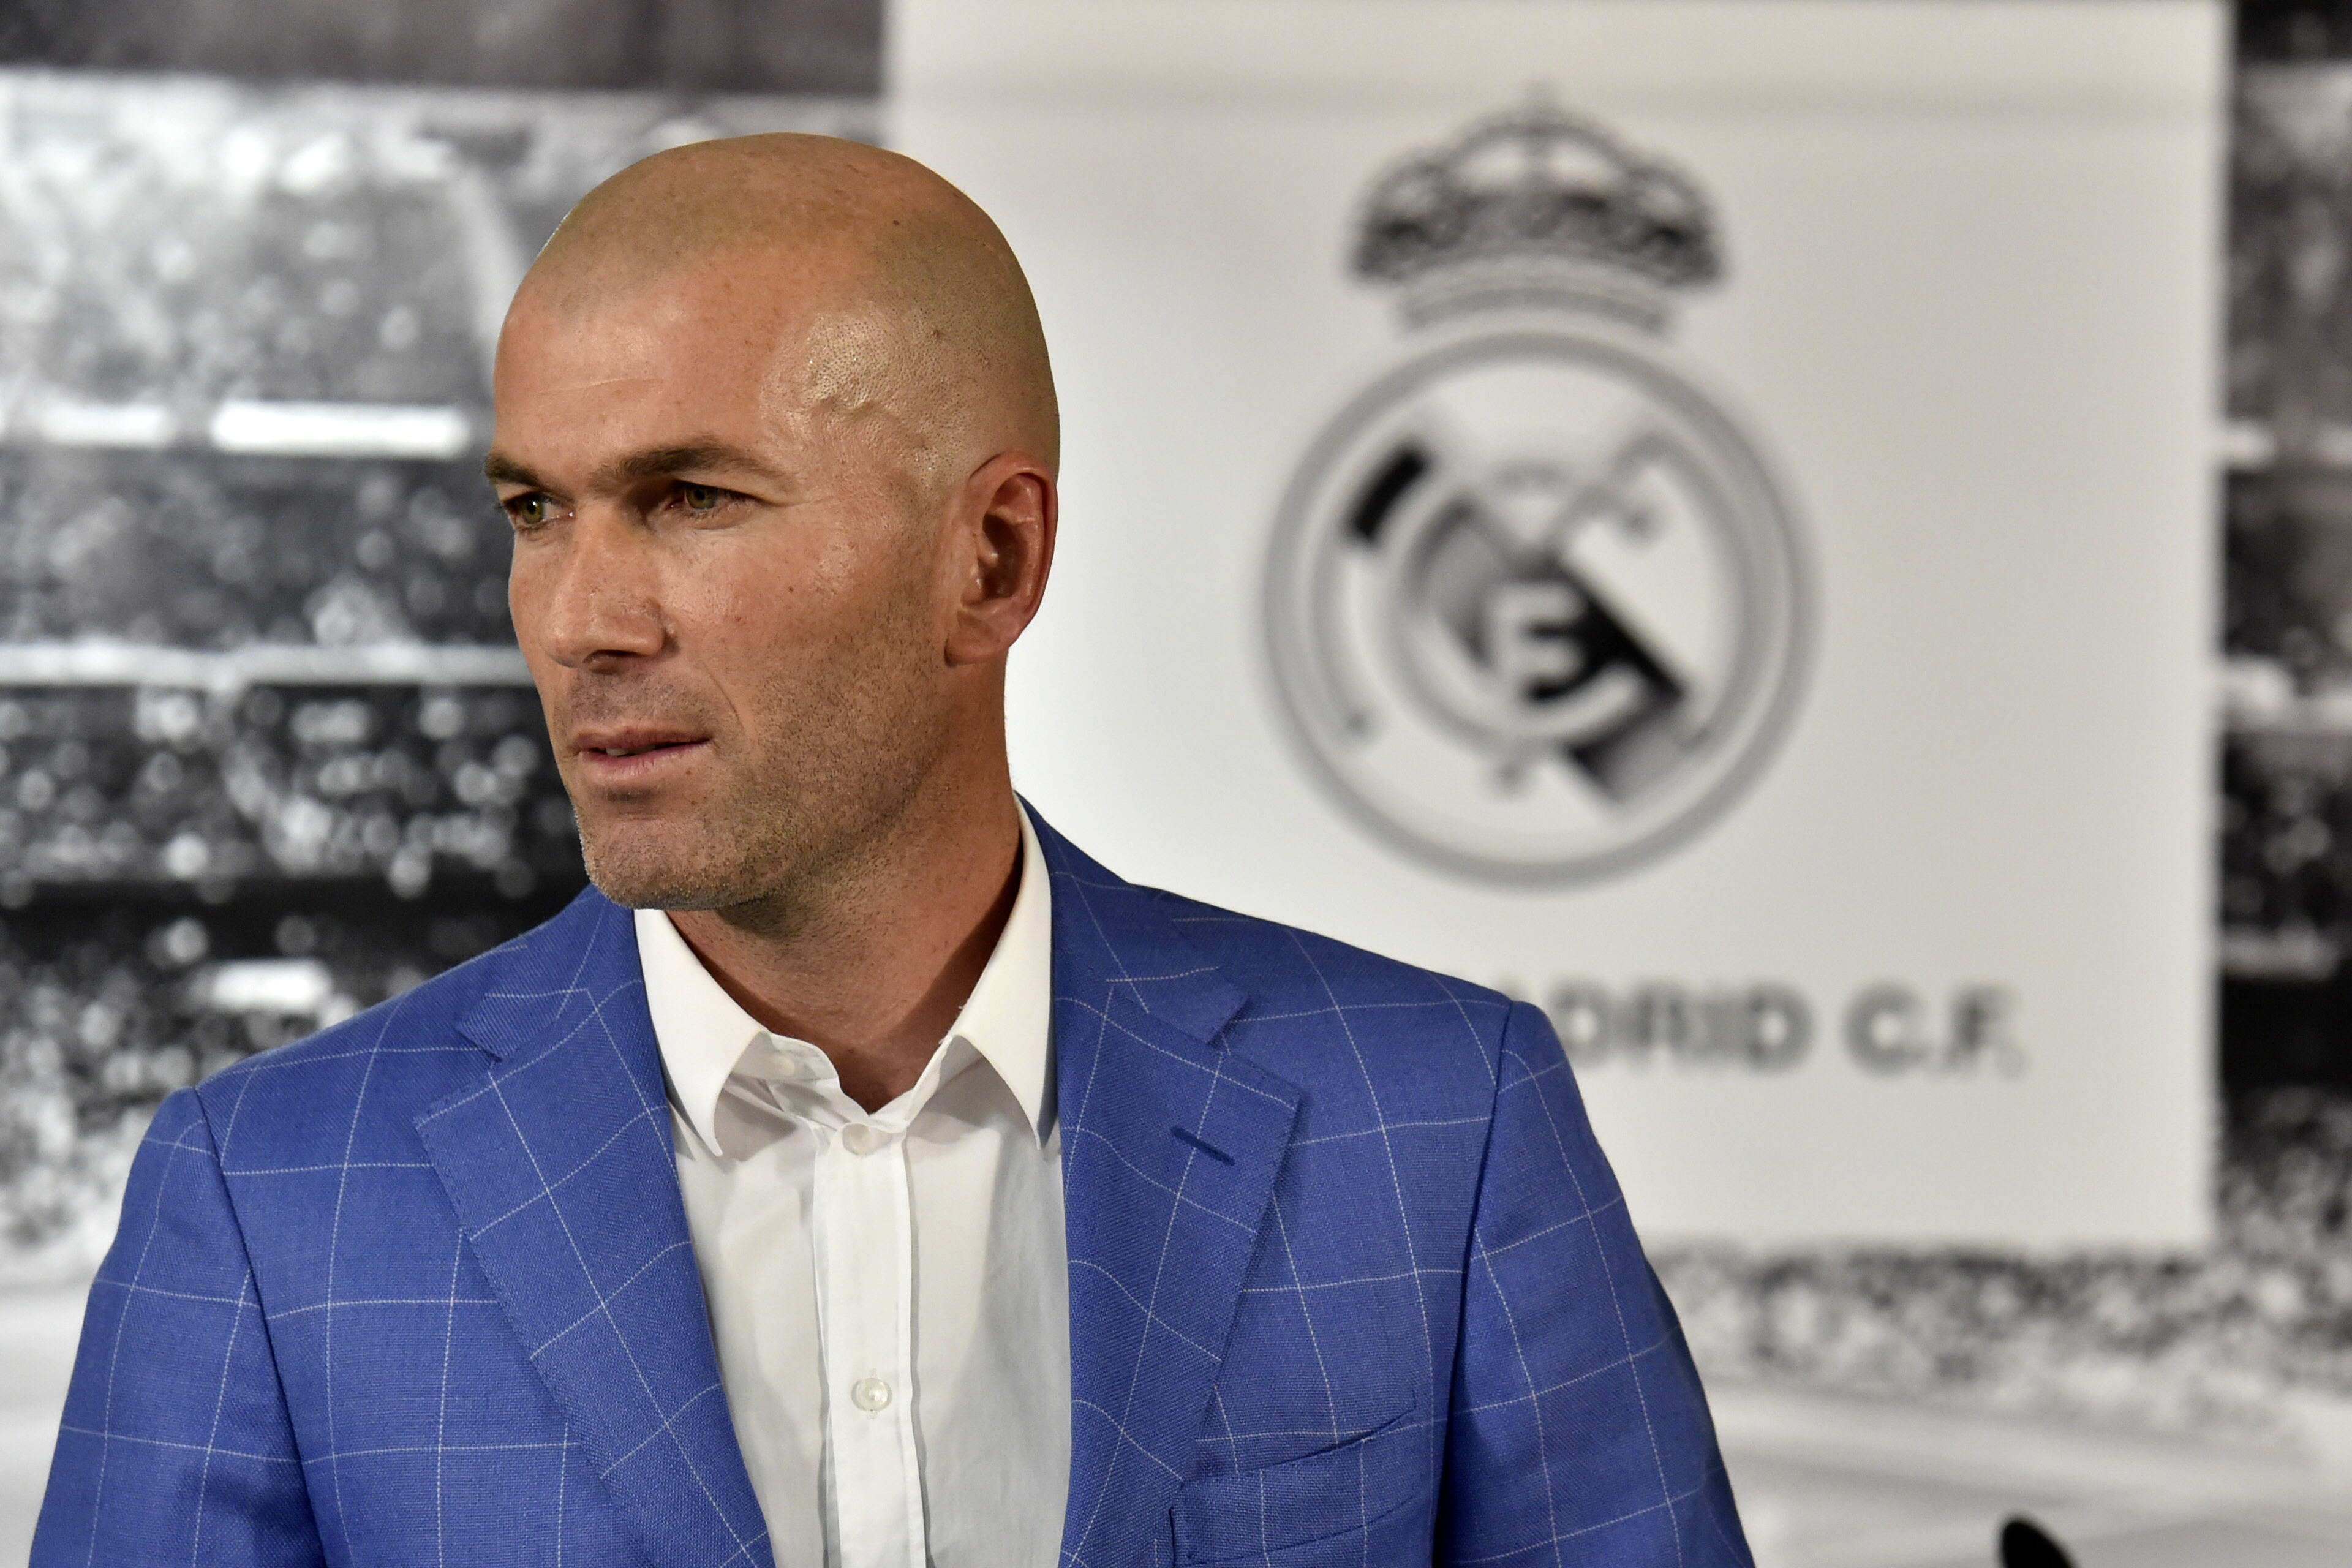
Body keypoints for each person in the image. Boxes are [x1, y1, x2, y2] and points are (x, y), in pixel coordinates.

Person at [33, 135, 1751, 1567]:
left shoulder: (1442, 1128)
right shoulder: (269, 1203)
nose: (577, 620)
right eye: (534, 511)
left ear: (990, 561)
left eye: (693, 497)